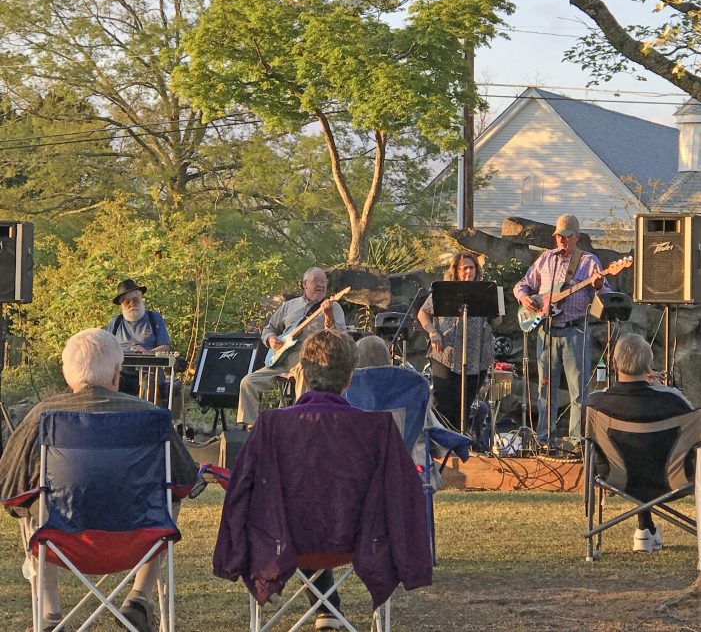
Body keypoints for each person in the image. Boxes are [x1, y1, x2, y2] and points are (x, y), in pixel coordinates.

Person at [214, 329, 432, 630]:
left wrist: (234, 553)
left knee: (304, 508)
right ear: (350, 377)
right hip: (358, 539)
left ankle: (324, 606)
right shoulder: (376, 428)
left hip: (285, 538)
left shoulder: (272, 425)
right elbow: (405, 491)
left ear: (303, 371)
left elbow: (240, 490)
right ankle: (326, 606)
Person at [0, 328, 199, 632]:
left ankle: (50, 615)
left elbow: (9, 485)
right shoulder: (151, 417)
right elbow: (186, 480)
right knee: (169, 495)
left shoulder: (43, 415)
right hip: (138, 540)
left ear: (68, 374)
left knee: (36, 503)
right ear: (117, 373)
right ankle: (139, 599)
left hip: (62, 540)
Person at [584, 333, 693, 552]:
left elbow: (588, 447)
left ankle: (645, 528)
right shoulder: (673, 399)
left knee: (631, 452)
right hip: (673, 479)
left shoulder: (596, 402)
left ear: (614, 364)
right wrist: (662, 388)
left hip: (617, 479)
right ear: (649, 367)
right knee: (652, 452)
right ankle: (646, 528)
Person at [513, 214, 607, 445]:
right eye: (559, 236)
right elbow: (522, 285)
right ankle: (545, 439)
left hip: (575, 330)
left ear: (576, 237)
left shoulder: (589, 262)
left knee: (579, 392)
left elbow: (604, 296)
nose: (562, 241)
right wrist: (525, 299)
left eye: (566, 237)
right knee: (546, 389)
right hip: (546, 331)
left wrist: (597, 285)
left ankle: (577, 442)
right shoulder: (546, 259)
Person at [236, 267, 346, 427]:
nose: (321, 284)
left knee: (303, 371)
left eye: (323, 281)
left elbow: (340, 336)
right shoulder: (289, 306)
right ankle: (250, 429)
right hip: (281, 360)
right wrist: (271, 339)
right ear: (304, 284)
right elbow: (269, 328)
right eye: (316, 281)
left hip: (312, 360)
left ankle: (301, 423)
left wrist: (328, 316)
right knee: (248, 382)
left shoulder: (333, 307)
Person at [417, 251, 496, 432]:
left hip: (476, 355)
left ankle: (460, 441)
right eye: (464, 269)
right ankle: (442, 441)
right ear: (456, 271)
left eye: (471, 268)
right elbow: (423, 312)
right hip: (446, 352)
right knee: (444, 400)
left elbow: (495, 320)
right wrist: (432, 332)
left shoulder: (485, 291)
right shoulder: (444, 290)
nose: (468, 272)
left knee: (466, 402)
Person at [106, 278, 173, 400]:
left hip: (150, 371)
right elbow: (105, 348)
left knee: (148, 384)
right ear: (121, 305)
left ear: (141, 299)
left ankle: (146, 417)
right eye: (127, 302)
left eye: (135, 300)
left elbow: (165, 347)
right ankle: (116, 417)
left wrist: (148, 353)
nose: (132, 304)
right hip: (122, 371)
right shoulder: (115, 322)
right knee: (109, 381)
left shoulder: (154, 318)